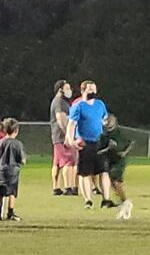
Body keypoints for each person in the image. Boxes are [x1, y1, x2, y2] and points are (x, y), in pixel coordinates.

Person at [69, 81, 112, 209]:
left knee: (104, 171)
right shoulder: (79, 106)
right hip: (85, 143)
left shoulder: (100, 105)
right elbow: (71, 124)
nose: (92, 93)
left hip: (99, 142)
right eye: (89, 90)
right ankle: (88, 200)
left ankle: (106, 200)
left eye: (94, 90)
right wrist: (71, 140)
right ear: (83, 91)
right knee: (85, 173)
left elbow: (105, 120)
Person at [94, 113, 134, 219]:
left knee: (115, 180)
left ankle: (126, 202)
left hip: (119, 161)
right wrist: (108, 148)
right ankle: (124, 202)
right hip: (110, 161)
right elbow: (99, 151)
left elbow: (130, 143)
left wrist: (124, 152)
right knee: (114, 183)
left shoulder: (119, 133)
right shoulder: (104, 136)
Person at [0, 119, 26, 222]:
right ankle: (10, 213)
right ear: (16, 131)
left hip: (2, 170)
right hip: (13, 170)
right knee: (12, 192)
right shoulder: (17, 144)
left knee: (0, 192)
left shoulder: (0, 142)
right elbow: (21, 158)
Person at [49, 80, 77, 196]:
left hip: (57, 136)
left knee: (56, 163)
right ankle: (68, 187)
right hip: (61, 136)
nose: (69, 90)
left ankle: (56, 187)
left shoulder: (59, 101)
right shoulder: (59, 102)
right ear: (60, 89)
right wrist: (68, 135)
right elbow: (61, 119)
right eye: (67, 88)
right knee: (68, 162)